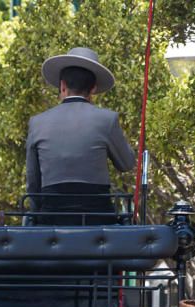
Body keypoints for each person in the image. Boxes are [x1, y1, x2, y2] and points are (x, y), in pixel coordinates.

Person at [26, 47, 136, 224]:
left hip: (52, 216)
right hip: (97, 217)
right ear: (93, 88)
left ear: (62, 85)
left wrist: (36, 215)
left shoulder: (37, 122)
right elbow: (127, 163)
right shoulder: (107, 119)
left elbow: (33, 181)